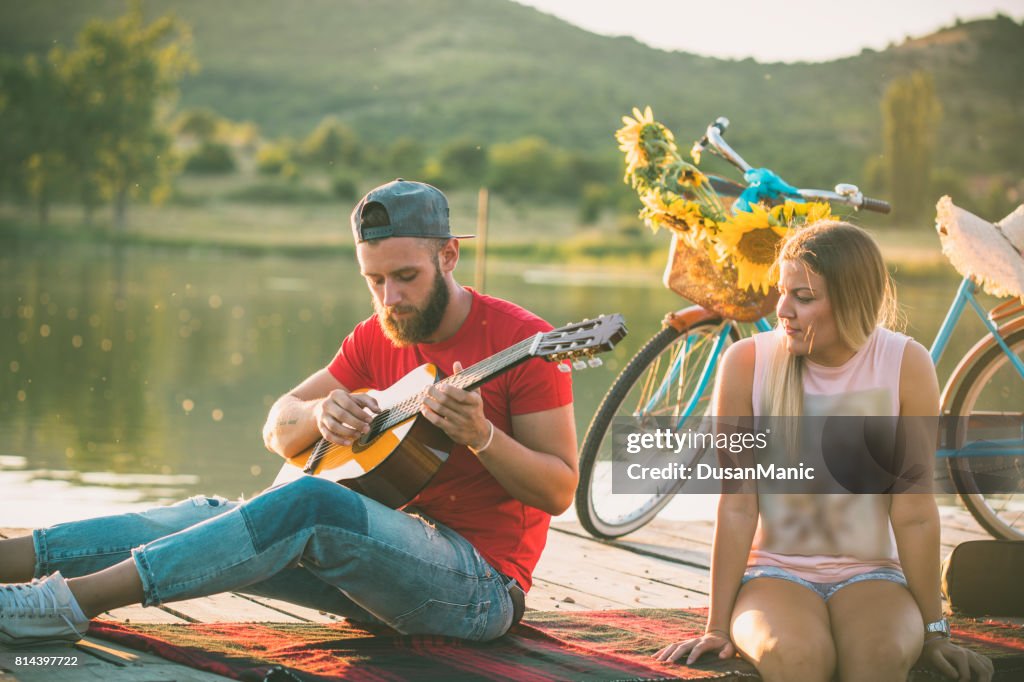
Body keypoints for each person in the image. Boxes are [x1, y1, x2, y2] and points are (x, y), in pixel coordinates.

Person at [0, 179, 577, 646]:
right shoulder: (378, 335)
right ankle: (10, 561)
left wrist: (481, 435)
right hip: (372, 581)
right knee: (211, 511)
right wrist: (323, 413)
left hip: (479, 593)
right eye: (374, 281)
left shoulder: (525, 342)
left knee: (308, 503)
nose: (390, 300)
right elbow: (278, 426)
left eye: (406, 277)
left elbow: (558, 491)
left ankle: (67, 604)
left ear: (449, 256)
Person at [654, 222, 993, 681]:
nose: (783, 310)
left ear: (853, 300)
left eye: (804, 297)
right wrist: (717, 626)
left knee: (879, 657)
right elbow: (737, 505)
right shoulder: (745, 365)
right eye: (782, 292)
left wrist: (935, 632)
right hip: (773, 575)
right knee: (797, 658)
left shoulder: (905, 365)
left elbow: (913, 512)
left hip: (874, 575)